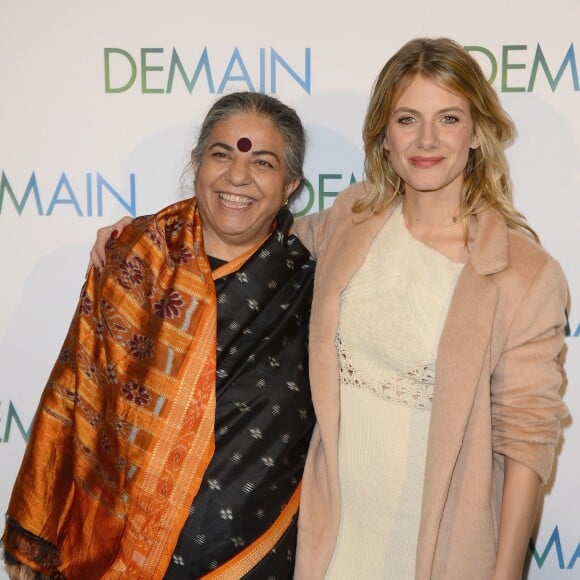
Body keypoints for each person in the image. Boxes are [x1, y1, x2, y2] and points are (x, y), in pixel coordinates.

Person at [88, 38, 568, 580]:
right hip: (327, 543)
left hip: (443, 547)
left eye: (449, 118)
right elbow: (247, 223)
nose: (427, 139)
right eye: (408, 119)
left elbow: (525, 443)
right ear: (385, 136)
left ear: (477, 132)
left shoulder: (524, 275)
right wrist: (148, 234)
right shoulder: (350, 221)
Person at [2, 92, 316, 579]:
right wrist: (45, 529)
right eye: (222, 154)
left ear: (291, 184)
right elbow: (75, 399)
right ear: (196, 163)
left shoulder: (314, 286)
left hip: (254, 560)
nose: (237, 176)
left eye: (263, 162)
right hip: (114, 558)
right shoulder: (133, 259)